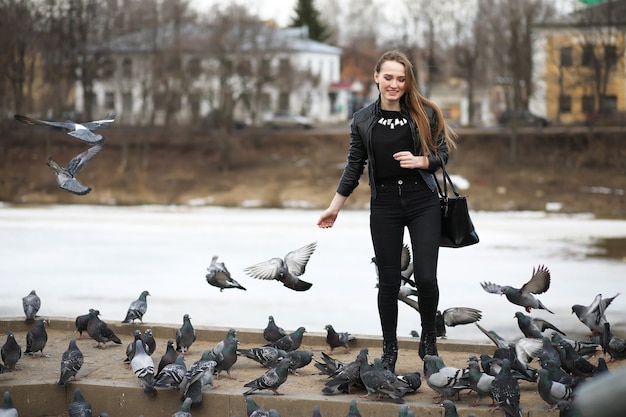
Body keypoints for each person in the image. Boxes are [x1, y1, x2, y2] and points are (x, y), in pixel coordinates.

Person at [317, 49, 457, 373]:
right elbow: (354, 167)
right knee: (389, 282)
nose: (394, 84)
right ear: (376, 78)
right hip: (385, 207)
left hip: (423, 201)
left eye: (401, 78)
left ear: (408, 82)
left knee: (425, 277)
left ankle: (429, 342)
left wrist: (423, 161)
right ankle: (390, 350)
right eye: (389, 77)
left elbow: (443, 154)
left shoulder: (424, 113)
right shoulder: (362, 120)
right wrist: (334, 208)